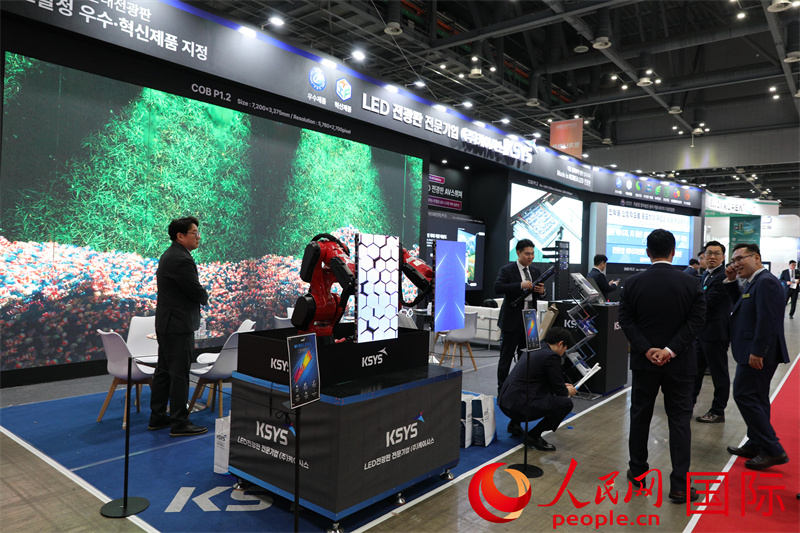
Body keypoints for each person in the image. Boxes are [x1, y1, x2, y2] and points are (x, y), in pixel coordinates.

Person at [619, 229, 705, 504]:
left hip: (644, 364)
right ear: (673, 251)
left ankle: (638, 474)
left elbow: (626, 320)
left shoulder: (632, 283)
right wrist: (670, 350)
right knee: (679, 422)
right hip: (680, 363)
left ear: (647, 252)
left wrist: (647, 349)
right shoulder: (691, 283)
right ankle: (679, 486)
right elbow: (696, 321)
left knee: (640, 417)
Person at [724, 243, 790, 469]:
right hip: (753, 350)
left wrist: (758, 351)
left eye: (740, 258)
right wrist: (731, 281)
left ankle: (773, 449)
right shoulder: (755, 282)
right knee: (757, 398)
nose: (736, 264)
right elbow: (740, 306)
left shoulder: (766, 282)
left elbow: (767, 320)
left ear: (757, 258)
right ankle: (755, 443)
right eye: (734, 260)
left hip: (758, 353)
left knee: (744, 395)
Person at [149, 216, 210, 437]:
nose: (198, 237)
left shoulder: (170, 255)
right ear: (180, 236)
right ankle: (179, 422)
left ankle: (157, 417)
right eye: (195, 233)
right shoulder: (181, 259)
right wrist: (205, 296)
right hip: (178, 325)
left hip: (167, 323)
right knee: (179, 374)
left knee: (164, 371)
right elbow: (194, 289)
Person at [497, 327, 576, 451]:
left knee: (526, 387)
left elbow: (537, 379)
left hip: (505, 402)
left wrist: (561, 386)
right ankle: (533, 436)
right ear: (560, 344)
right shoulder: (552, 356)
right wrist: (567, 391)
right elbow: (560, 392)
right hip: (519, 408)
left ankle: (514, 424)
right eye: (565, 349)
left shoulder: (535, 349)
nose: (563, 352)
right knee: (565, 404)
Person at [495, 239, 546, 405]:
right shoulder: (507, 270)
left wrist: (542, 292)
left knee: (528, 358)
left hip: (530, 320)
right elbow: (498, 287)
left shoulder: (536, 270)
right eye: (527, 254)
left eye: (532, 254)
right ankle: (502, 391)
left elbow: (540, 294)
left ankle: (523, 390)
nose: (530, 257)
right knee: (506, 358)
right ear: (518, 253)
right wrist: (520, 285)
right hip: (512, 320)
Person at [692, 241, 732, 423]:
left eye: (717, 253)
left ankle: (718, 411)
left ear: (723, 257)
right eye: (709, 253)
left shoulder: (722, 276)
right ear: (704, 256)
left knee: (719, 374)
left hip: (716, 334)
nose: (712, 257)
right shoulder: (706, 275)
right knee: (695, 371)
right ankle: (688, 404)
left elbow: (706, 303)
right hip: (702, 333)